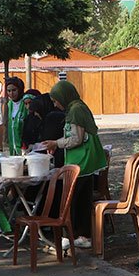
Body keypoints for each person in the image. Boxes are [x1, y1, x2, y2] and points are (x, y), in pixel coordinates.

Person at [42, 80, 108, 249]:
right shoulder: (79, 107)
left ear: (64, 96)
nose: (56, 105)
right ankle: (84, 236)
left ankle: (67, 237)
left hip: (80, 161)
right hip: (86, 162)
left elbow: (76, 139)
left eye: (56, 100)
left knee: (69, 201)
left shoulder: (76, 111)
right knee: (82, 201)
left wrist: (56, 143)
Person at [1, 77, 28, 155]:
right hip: (13, 149)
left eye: (14, 90)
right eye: (9, 91)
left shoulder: (26, 103)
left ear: (20, 89)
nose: (11, 94)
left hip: (25, 149)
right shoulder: (9, 105)